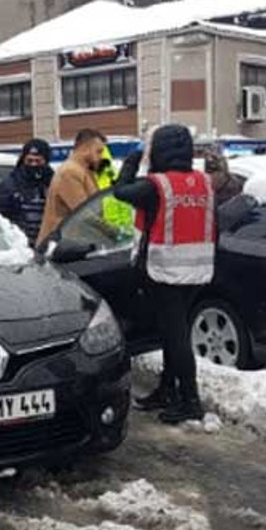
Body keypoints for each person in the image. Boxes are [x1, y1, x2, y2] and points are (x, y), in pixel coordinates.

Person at [111, 124, 215, 424]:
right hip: (198, 268)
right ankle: (168, 390)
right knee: (174, 334)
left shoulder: (157, 186)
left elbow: (121, 191)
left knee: (176, 338)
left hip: (166, 269)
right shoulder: (203, 182)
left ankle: (190, 401)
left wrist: (132, 160)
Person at [37, 129, 104, 245]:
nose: (101, 156)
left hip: (70, 246)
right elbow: (84, 213)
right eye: (98, 151)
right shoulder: (70, 172)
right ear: (85, 149)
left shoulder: (83, 171)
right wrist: (114, 233)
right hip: (59, 248)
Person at [0, 138, 54, 242]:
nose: (33, 164)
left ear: (46, 161)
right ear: (23, 160)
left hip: (47, 245)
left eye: (38, 161)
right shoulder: (9, 185)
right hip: (20, 247)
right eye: (29, 160)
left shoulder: (54, 183)